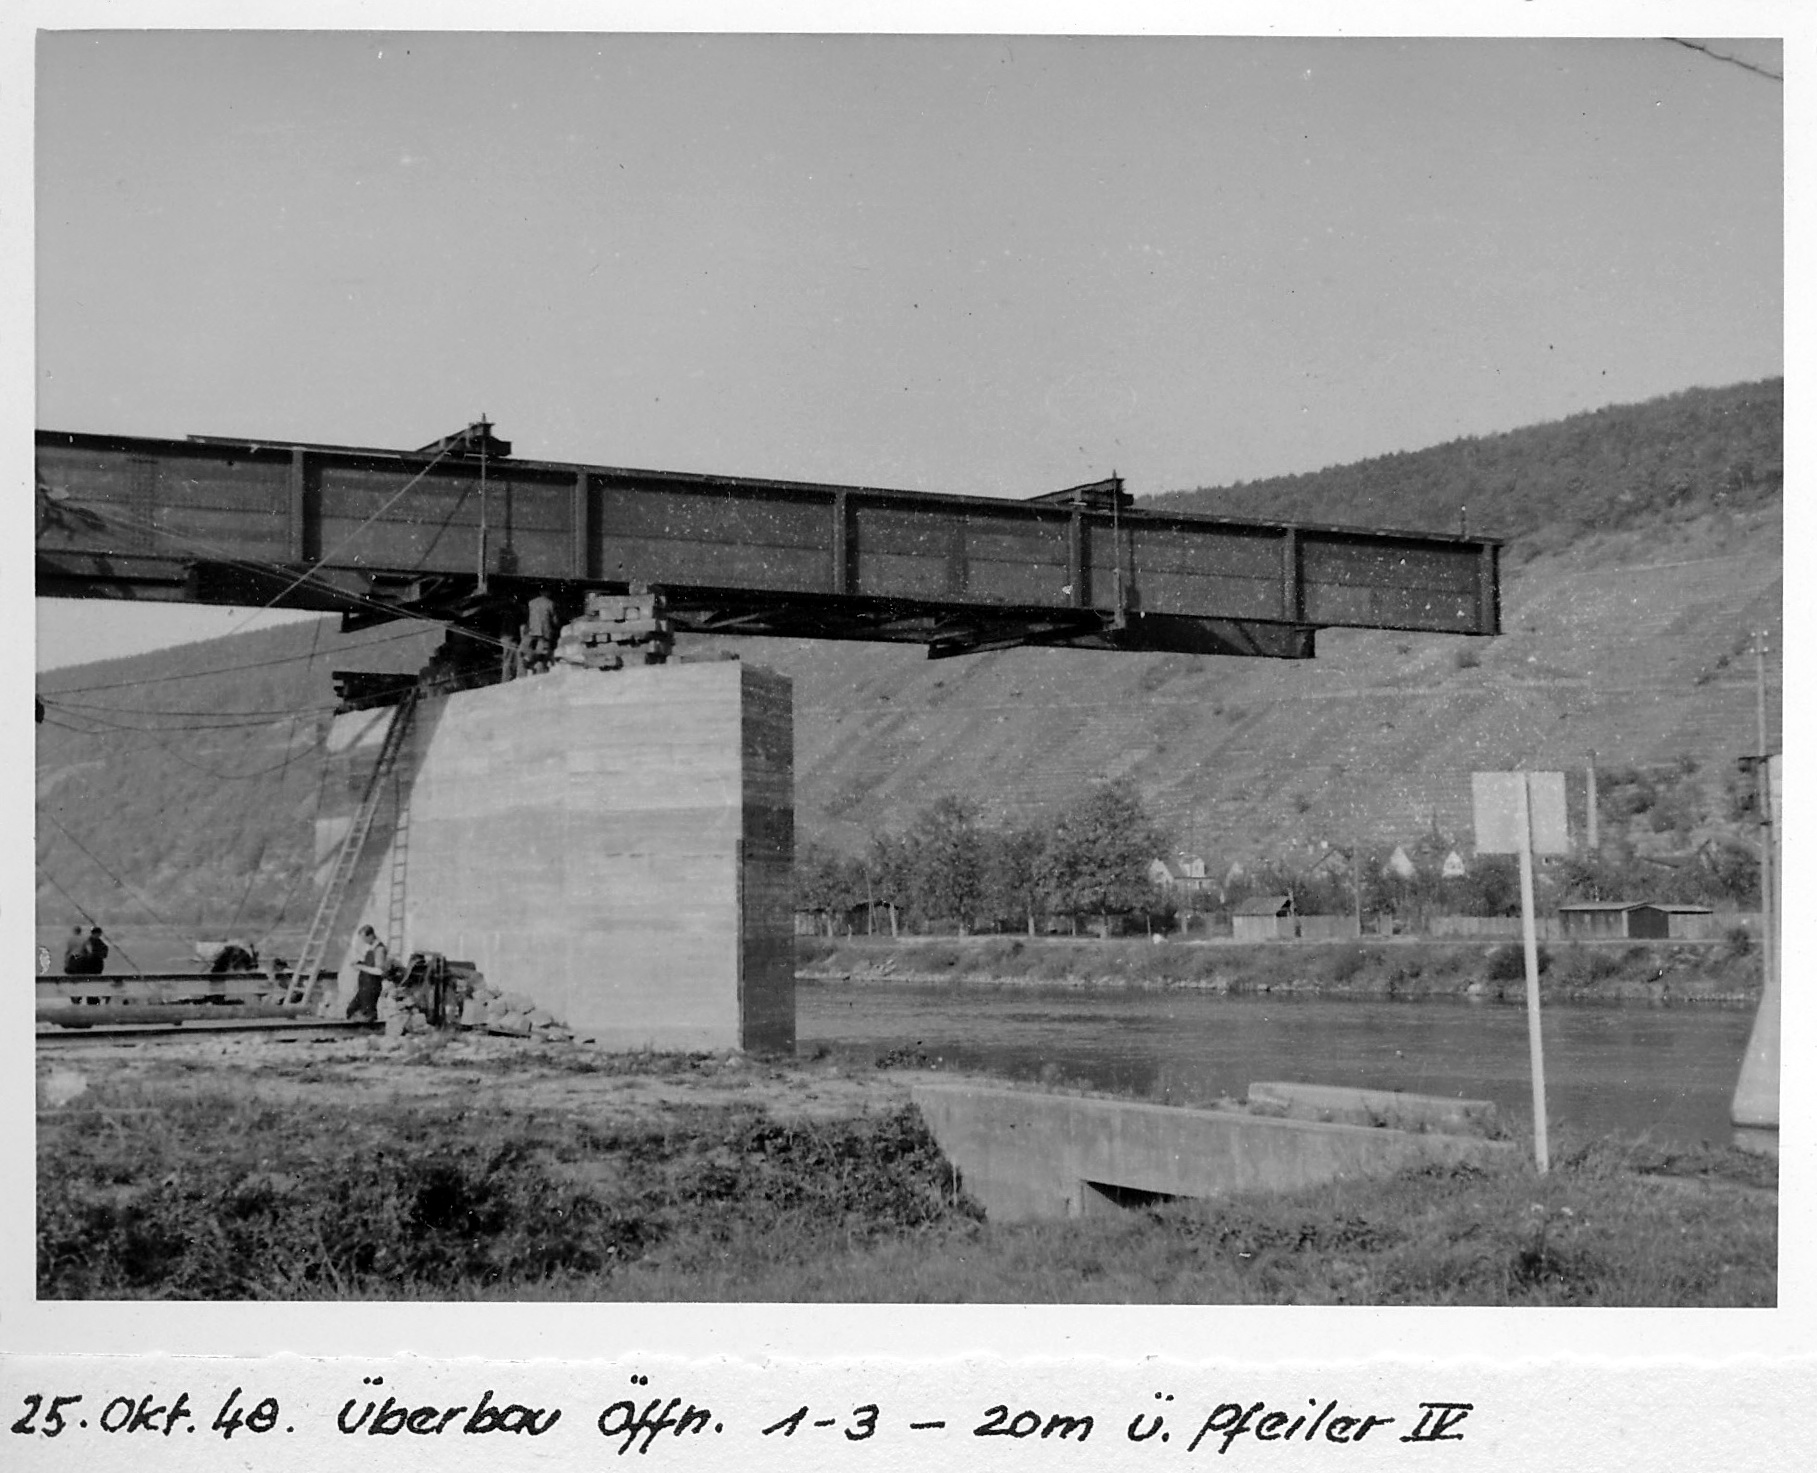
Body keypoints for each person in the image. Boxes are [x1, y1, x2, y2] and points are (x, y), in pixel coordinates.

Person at [345, 924, 388, 1021]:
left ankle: (371, 1034)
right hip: (364, 987)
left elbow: (379, 971)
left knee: (368, 1015)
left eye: (364, 939)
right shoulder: (372, 948)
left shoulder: (379, 949)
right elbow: (370, 965)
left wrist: (360, 966)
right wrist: (359, 963)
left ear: (371, 936)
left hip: (372, 987)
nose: (364, 941)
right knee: (351, 1010)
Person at [522, 589, 558, 674]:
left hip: (532, 630)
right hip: (544, 632)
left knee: (528, 648)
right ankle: (541, 670)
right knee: (543, 653)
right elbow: (555, 620)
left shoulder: (531, 602)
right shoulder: (550, 603)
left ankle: (527, 663)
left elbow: (528, 617)